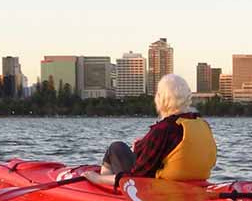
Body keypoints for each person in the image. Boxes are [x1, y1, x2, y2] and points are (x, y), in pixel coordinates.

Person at [83, 74, 217, 188]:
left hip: (161, 190)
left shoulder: (163, 129)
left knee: (116, 148)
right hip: (194, 185)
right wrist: (142, 147)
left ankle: (105, 190)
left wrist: (96, 178)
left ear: (162, 99)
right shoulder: (202, 124)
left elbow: (138, 176)